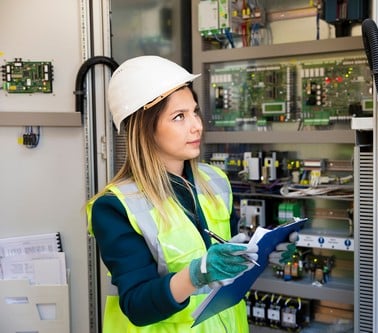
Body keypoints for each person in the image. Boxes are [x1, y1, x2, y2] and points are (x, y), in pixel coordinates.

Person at [86, 55, 259, 332]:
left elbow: (228, 259)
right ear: (145, 129)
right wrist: (197, 274)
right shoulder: (115, 207)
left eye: (195, 112)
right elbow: (136, 306)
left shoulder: (215, 181)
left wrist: (260, 253)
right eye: (179, 117)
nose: (197, 126)